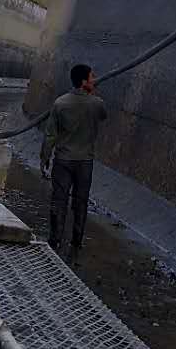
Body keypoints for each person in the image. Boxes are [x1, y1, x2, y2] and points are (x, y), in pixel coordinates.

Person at [40, 63, 107, 263]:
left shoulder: (60, 104)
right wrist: (93, 93)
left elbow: (50, 135)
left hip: (63, 161)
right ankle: (76, 242)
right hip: (85, 162)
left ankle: (55, 240)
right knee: (81, 202)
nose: (94, 79)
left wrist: (45, 158)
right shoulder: (97, 104)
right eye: (92, 77)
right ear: (84, 81)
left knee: (58, 201)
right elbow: (103, 116)